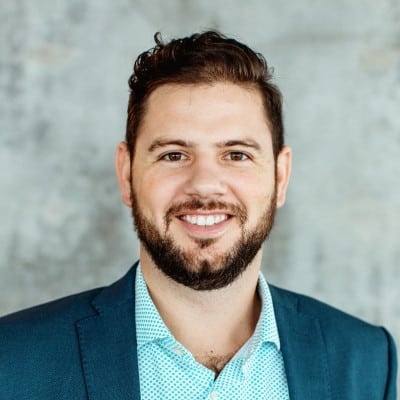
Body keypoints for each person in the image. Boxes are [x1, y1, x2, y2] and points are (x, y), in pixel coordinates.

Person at [0, 31, 397, 400]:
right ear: (126, 174)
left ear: (280, 176)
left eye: (236, 155)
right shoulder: (13, 360)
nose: (205, 185)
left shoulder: (366, 361)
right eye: (174, 155)